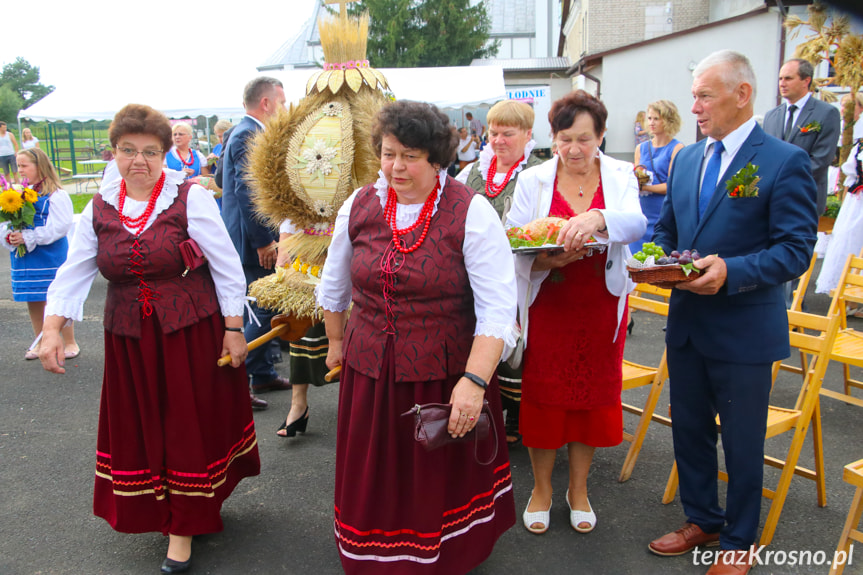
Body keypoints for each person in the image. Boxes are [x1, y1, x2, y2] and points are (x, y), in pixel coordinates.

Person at [37, 103, 261, 574]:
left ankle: (184, 526)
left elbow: (225, 265)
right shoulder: (98, 207)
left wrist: (234, 330)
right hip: (129, 340)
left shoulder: (189, 197)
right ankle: (163, 507)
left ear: (165, 155)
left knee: (184, 424)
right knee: (144, 425)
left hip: (189, 333)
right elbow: (74, 271)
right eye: (128, 150)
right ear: (114, 152)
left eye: (150, 152)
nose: (138, 160)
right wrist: (52, 328)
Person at [318, 100, 517, 574]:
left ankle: (444, 555)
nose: (396, 166)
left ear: (436, 158)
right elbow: (334, 283)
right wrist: (337, 343)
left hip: (444, 373)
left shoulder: (471, 212)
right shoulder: (360, 203)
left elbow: (497, 309)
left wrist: (473, 382)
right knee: (379, 473)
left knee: (433, 476)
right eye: (388, 154)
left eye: (409, 156)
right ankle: (377, 556)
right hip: (370, 371)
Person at [649, 51, 816, 575]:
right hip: (689, 327)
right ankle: (703, 518)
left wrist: (733, 271)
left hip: (744, 330)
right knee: (689, 430)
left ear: (742, 95)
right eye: (693, 95)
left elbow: (795, 249)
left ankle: (741, 539)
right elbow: (668, 234)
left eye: (704, 95)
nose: (693, 106)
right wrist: (654, 262)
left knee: (743, 442)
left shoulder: (783, 161)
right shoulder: (688, 159)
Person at [506, 90, 645, 536]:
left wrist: (599, 217)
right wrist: (546, 260)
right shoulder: (534, 180)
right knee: (544, 399)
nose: (574, 150)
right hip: (550, 303)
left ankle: (579, 489)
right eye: (565, 139)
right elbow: (515, 239)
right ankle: (542, 489)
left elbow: (638, 223)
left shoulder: (621, 174)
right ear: (552, 138)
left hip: (602, 304)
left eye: (584, 139)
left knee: (590, 400)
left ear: (601, 136)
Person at [458, 99, 544, 445]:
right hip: (476, 271)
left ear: (527, 135)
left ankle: (518, 414)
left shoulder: (537, 173)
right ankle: (487, 407)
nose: (498, 140)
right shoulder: (472, 171)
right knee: (481, 334)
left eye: (507, 133)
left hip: (520, 270)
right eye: (493, 133)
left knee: (520, 343)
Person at [221, 77, 291, 410]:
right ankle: (238, 381)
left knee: (265, 306)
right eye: (282, 101)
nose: (285, 107)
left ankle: (261, 372)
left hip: (248, 237)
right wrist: (264, 241)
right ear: (266, 103)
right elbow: (248, 193)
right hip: (253, 241)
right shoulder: (248, 134)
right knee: (260, 309)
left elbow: (222, 180)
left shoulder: (241, 131)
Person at [1, 148, 79, 360]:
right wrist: (10, 236)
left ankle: (69, 341)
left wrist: (29, 237)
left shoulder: (56, 195)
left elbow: (61, 226)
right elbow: (7, 223)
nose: (20, 170)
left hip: (51, 255)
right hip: (26, 257)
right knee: (33, 298)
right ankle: (41, 342)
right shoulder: (15, 194)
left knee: (57, 298)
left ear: (39, 166)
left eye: (24, 165)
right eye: (18, 166)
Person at [763, 58, 840, 216]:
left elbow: (821, 160)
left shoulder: (826, 113)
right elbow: (765, 156)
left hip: (804, 199)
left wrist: (783, 181)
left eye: (788, 78)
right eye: (780, 78)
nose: (782, 83)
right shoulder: (771, 116)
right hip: (772, 202)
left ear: (806, 81)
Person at [631, 100, 684, 253]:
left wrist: (646, 187)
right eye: (649, 118)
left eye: (656, 119)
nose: (652, 123)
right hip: (642, 210)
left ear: (668, 120)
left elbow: (672, 186)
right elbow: (636, 176)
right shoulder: (641, 147)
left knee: (658, 257)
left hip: (661, 212)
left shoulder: (677, 148)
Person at [816, 134, 863, 295]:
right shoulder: (860, 145)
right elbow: (849, 178)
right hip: (856, 204)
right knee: (848, 240)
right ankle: (847, 295)